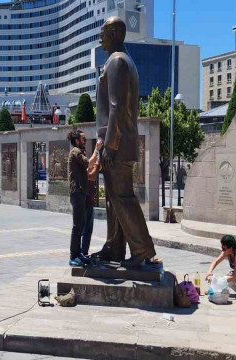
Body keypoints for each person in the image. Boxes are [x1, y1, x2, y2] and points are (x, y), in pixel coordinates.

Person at [90, 17, 158, 267]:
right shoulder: (121, 60)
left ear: (116, 33)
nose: (101, 38)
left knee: (122, 197)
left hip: (117, 146)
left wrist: (109, 145)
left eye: (104, 32)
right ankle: (115, 247)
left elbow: (116, 107)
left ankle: (142, 250)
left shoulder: (118, 61)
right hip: (118, 143)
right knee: (113, 200)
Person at [67, 129, 101, 266]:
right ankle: (73, 256)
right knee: (77, 226)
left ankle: (78, 253)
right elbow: (89, 163)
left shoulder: (78, 152)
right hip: (77, 193)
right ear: (76, 141)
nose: (85, 141)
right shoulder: (75, 151)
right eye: (83, 139)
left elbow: (88, 170)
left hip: (81, 193)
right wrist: (97, 149)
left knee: (80, 225)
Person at [81, 150, 100, 257]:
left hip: (89, 201)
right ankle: (82, 252)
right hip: (84, 201)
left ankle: (84, 252)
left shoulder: (87, 167)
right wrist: (96, 167)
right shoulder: (82, 168)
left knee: (88, 229)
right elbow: (91, 176)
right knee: (85, 229)